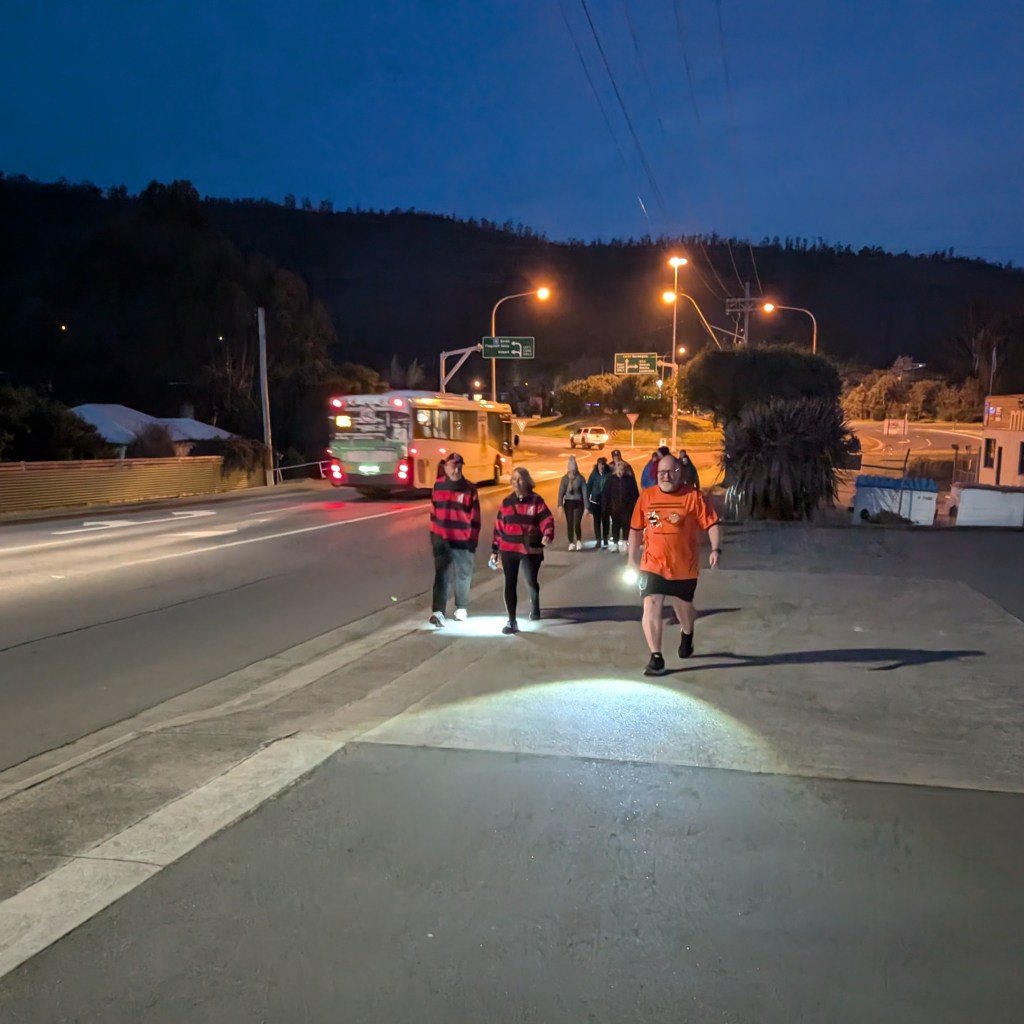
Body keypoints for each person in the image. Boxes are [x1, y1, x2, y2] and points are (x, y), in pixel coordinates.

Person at [628, 455, 721, 676]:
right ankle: (656, 657)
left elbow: (712, 523)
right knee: (651, 605)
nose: (666, 477)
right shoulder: (646, 497)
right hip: (652, 564)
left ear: (679, 472)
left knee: (683, 609)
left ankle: (687, 633)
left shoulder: (693, 497)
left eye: (670, 472)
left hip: (683, 568)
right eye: (661, 473)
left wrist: (716, 549)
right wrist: (631, 558)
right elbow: (635, 529)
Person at [491, 467, 555, 633]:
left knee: (530, 581)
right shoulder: (506, 502)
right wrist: (495, 550)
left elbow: (547, 520)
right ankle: (512, 621)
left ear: (527, 481)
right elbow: (499, 527)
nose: (516, 482)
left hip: (530, 549)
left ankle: (535, 603)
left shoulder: (536, 501)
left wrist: (547, 534)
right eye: (514, 479)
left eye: (520, 479)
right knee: (509, 583)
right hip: (509, 548)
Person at [428, 452, 481, 627]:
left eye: (459, 466)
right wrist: (434, 536)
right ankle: (438, 611)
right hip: (441, 539)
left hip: (462, 539)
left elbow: (475, 517)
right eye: (453, 466)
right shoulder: (438, 486)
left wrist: (473, 540)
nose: (456, 469)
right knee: (441, 576)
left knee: (463, 575)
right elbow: (434, 512)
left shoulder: (469, 488)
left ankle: (461, 607)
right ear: (445, 467)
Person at [601, 458, 640, 552]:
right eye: (619, 469)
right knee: (615, 525)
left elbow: (635, 494)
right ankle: (615, 543)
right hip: (614, 508)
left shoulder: (630, 480)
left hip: (627, 508)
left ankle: (625, 542)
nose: (620, 471)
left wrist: (635, 507)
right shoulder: (611, 480)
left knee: (626, 525)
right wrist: (605, 507)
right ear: (615, 470)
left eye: (622, 469)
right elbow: (606, 494)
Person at [557, 455, 588, 551]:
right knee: (569, 523)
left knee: (576, 523)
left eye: (574, 471)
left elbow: (585, 493)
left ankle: (578, 540)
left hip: (578, 502)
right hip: (568, 503)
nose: (572, 473)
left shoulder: (581, 478)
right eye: (571, 471)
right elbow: (561, 493)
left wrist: (586, 507)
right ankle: (571, 542)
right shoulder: (565, 479)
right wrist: (560, 505)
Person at [586, 456, 612, 548]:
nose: (602, 467)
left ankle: (605, 538)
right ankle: (598, 539)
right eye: (600, 465)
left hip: (606, 501)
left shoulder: (609, 474)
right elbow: (588, 487)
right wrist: (587, 502)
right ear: (597, 465)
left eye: (603, 465)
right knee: (596, 521)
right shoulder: (594, 475)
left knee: (606, 520)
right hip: (595, 501)